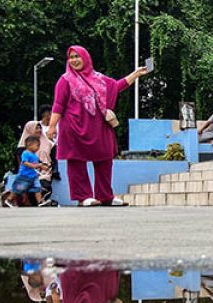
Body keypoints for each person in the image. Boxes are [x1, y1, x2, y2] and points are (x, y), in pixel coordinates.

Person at [49, 46, 148, 207]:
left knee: (105, 160)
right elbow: (58, 104)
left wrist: (136, 74)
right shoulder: (65, 80)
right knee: (76, 162)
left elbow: (116, 86)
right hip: (74, 127)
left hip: (99, 127)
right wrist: (52, 126)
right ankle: (83, 197)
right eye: (71, 57)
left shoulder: (99, 78)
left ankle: (106, 196)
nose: (74, 60)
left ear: (86, 58)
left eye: (77, 56)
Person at [5, 136, 46, 207]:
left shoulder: (34, 155)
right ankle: (9, 199)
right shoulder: (25, 153)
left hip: (33, 176)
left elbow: (37, 164)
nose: (38, 147)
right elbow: (25, 162)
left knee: (37, 188)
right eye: (37, 145)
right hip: (24, 176)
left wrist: (42, 166)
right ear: (30, 145)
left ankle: (40, 201)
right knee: (18, 188)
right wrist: (34, 166)